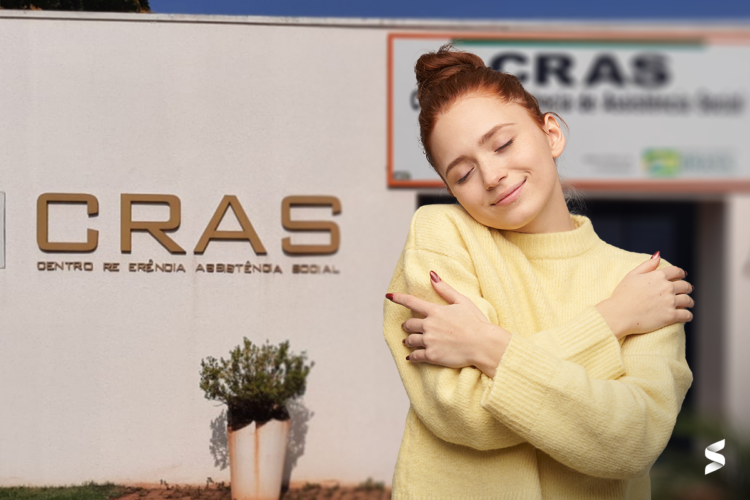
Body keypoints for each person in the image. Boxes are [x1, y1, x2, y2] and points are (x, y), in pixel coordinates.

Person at [382, 43, 694, 500]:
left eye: (503, 144)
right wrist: (613, 319)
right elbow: (461, 410)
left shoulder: (648, 280)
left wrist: (484, 345)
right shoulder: (442, 233)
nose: (491, 175)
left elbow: (631, 442)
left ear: (551, 133)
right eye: (463, 174)